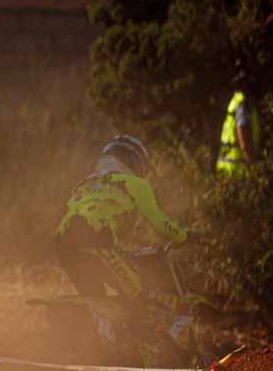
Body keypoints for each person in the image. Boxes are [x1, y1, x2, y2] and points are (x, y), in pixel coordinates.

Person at [56, 135, 192, 351]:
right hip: (96, 245)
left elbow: (93, 215)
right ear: (133, 161)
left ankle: (103, 351)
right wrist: (186, 236)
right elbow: (161, 225)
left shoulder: (84, 184)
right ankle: (141, 354)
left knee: (98, 303)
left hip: (64, 248)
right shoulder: (135, 184)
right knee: (138, 297)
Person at [216, 89, 260, 177]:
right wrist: (252, 164)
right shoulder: (242, 105)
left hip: (227, 165)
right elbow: (242, 138)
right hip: (235, 167)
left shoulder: (235, 101)